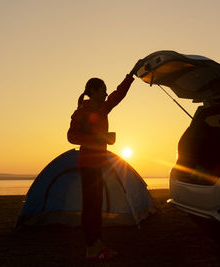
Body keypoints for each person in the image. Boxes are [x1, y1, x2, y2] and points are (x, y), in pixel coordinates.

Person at [67, 60, 142, 260]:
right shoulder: (82, 113)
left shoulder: (102, 109)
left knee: (95, 207)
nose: (106, 94)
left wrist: (131, 74)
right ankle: (92, 248)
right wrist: (97, 139)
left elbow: (118, 95)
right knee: (91, 208)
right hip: (87, 166)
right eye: (103, 90)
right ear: (93, 90)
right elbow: (71, 137)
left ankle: (96, 244)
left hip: (98, 165)